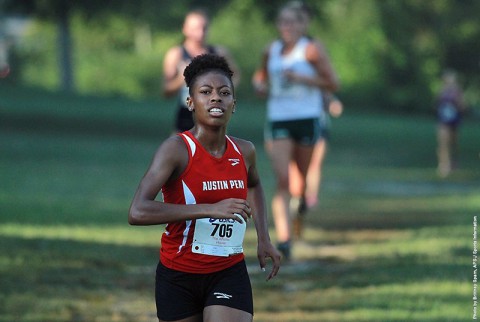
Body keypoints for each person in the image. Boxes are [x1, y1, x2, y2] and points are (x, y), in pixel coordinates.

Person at [129, 53, 281, 322]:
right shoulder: (176, 150)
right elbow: (138, 211)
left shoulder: (245, 151)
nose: (215, 98)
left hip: (228, 270)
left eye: (224, 93)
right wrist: (209, 209)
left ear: (234, 104)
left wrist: (264, 238)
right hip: (178, 274)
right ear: (190, 101)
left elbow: (255, 186)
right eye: (206, 92)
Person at [252, 1, 339, 259]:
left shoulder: (310, 50)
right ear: (278, 25)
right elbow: (261, 77)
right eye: (283, 22)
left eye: (293, 22)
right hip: (279, 118)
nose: (288, 27)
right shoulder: (272, 50)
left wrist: (303, 78)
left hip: (307, 117)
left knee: (300, 182)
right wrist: (259, 85)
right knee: (283, 179)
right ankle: (285, 239)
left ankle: (299, 207)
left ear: (303, 25)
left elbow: (333, 82)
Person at [162, 9, 240, 133]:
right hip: (185, 116)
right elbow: (166, 91)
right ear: (185, 29)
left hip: (213, 113)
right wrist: (181, 78)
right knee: (181, 151)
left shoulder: (218, 52)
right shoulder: (176, 54)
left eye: (204, 28)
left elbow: (235, 76)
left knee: (214, 150)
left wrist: (224, 92)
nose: (200, 33)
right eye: (195, 28)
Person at [435, 69, 466, 178]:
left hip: (454, 120)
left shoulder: (457, 92)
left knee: (453, 143)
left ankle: (454, 162)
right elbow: (437, 104)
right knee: (443, 142)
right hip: (443, 120)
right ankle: (443, 165)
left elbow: (463, 107)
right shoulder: (441, 90)